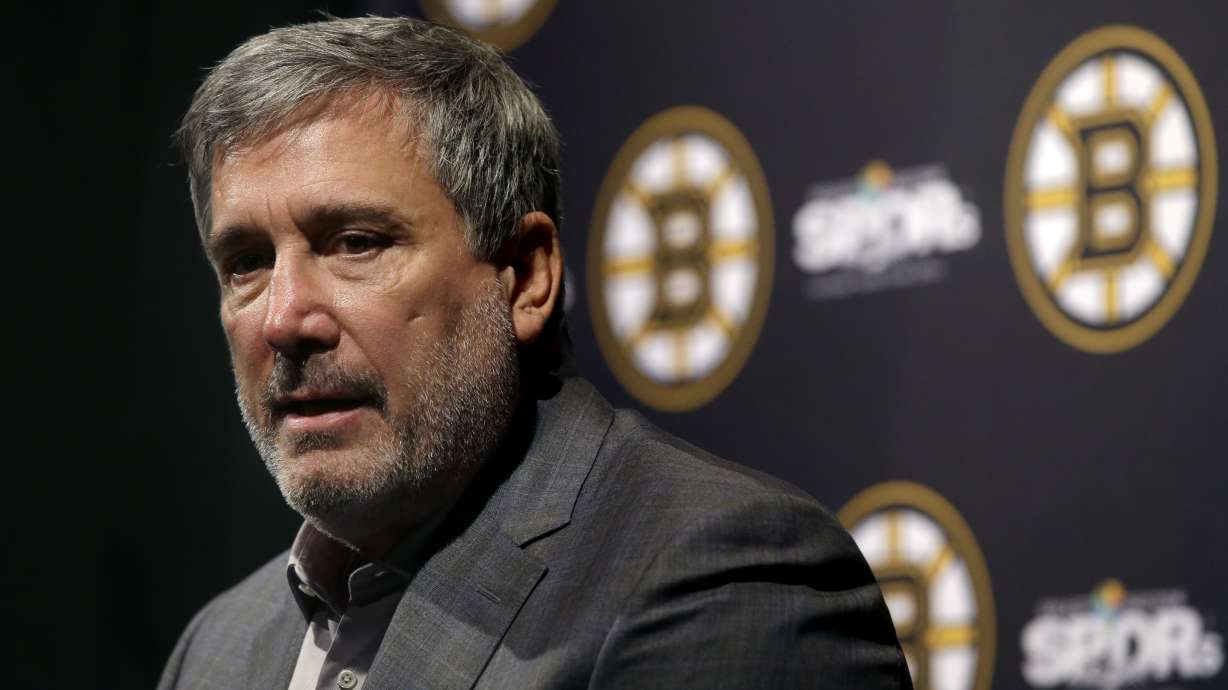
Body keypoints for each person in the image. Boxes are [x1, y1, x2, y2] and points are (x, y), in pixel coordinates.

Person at [158, 16, 910, 690]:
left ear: (525, 276)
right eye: (246, 264)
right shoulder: (217, 648)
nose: (284, 319)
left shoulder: (719, 585)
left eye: (355, 243)